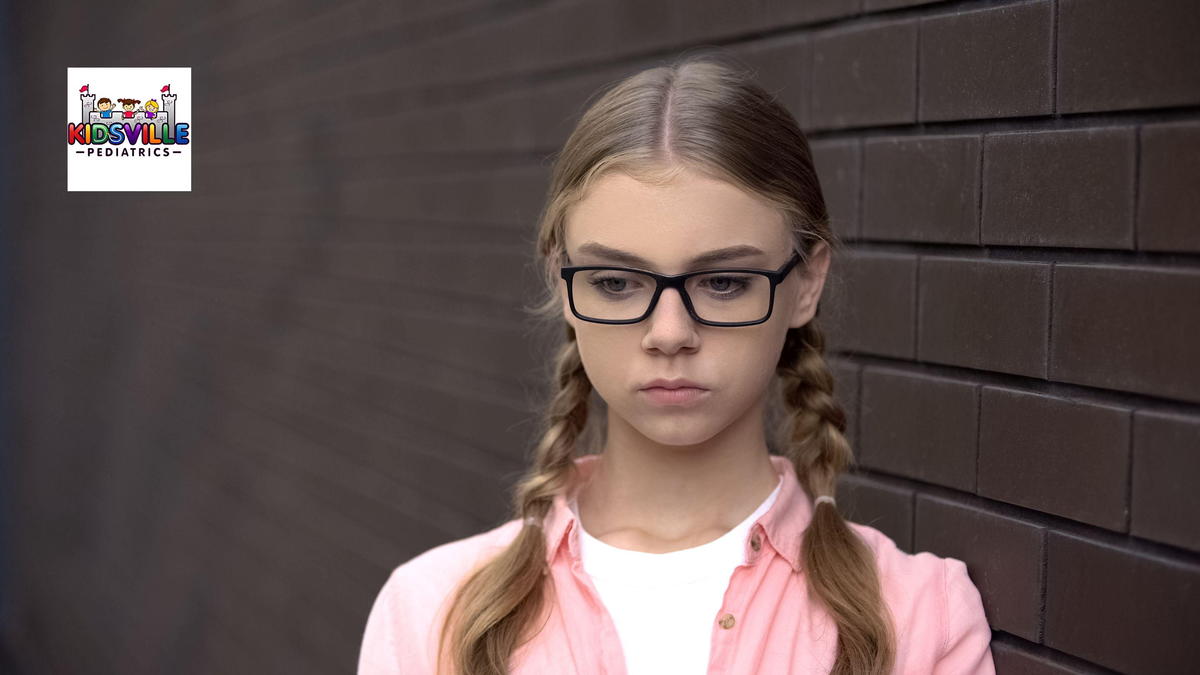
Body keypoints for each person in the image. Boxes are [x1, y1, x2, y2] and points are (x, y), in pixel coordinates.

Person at [357, 50, 995, 675]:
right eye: (614, 282)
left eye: (722, 283)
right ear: (562, 282)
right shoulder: (432, 614)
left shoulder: (917, 617)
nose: (669, 333)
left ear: (806, 282)